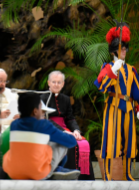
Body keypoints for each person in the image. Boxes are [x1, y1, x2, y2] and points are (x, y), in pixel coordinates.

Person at [94, 25, 139, 181]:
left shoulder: (132, 70)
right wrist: (113, 71)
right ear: (114, 52)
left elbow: (136, 91)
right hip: (113, 106)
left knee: (129, 141)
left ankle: (127, 174)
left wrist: (138, 108)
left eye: (125, 49)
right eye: (121, 50)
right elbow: (101, 86)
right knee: (110, 139)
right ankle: (107, 174)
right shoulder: (107, 67)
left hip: (129, 108)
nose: (124, 52)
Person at [3, 92, 80, 180]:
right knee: (62, 143)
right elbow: (71, 142)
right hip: (37, 174)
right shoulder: (43, 125)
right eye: (41, 108)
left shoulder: (14, 125)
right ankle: (56, 170)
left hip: (14, 173)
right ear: (35, 111)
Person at [41, 71, 95, 180]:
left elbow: (70, 118)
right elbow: (44, 119)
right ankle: (65, 174)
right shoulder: (42, 98)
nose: (56, 84)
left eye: (59, 82)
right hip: (51, 128)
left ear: (63, 84)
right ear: (49, 83)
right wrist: (63, 131)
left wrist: (76, 130)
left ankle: (83, 178)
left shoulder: (65, 99)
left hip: (66, 128)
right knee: (69, 142)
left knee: (83, 143)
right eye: (54, 82)